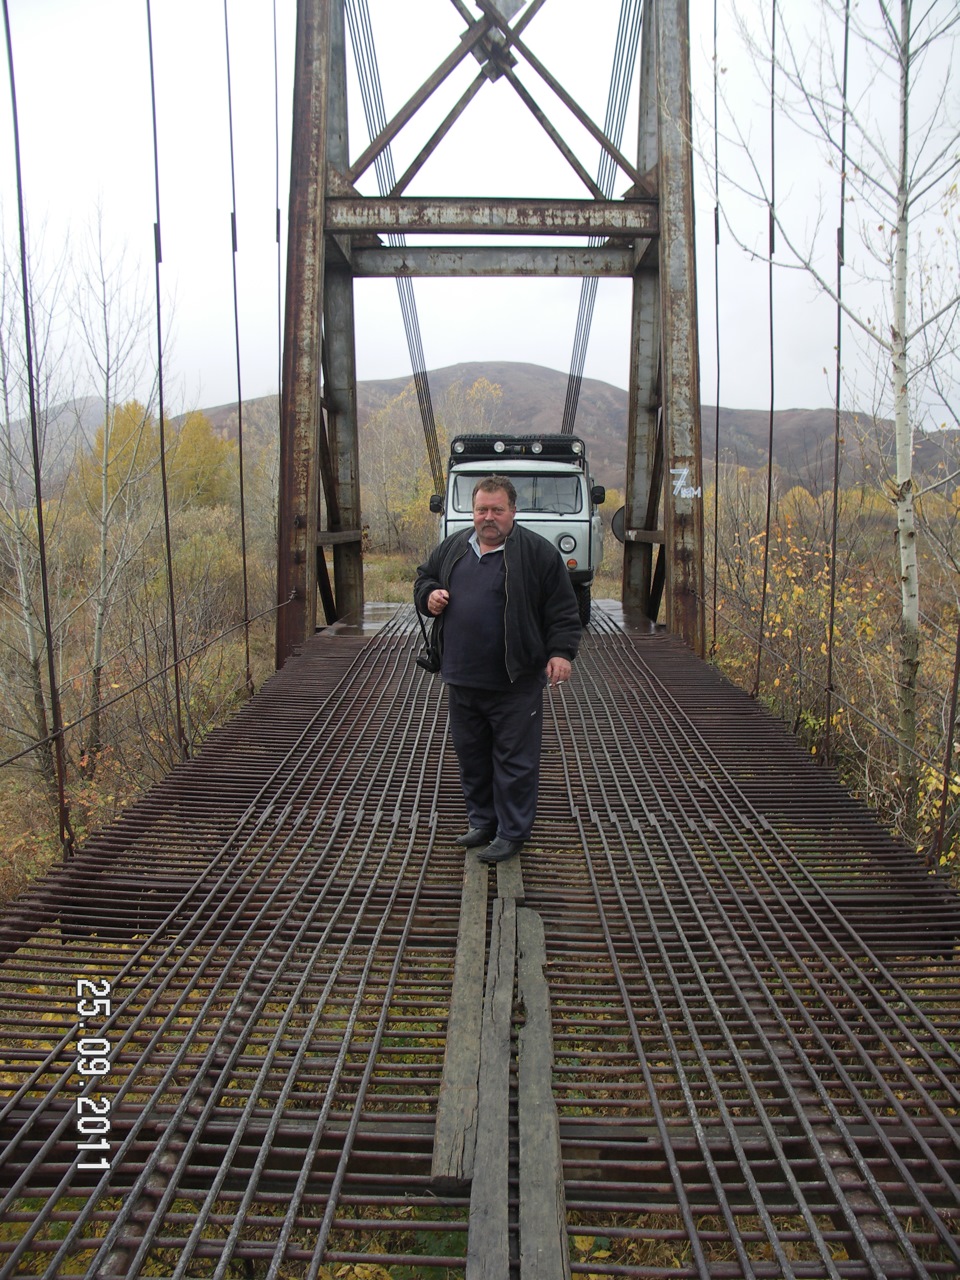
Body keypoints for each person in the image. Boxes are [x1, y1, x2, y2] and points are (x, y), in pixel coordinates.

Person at [414, 475, 581, 863]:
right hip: (461, 676)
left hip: (515, 679)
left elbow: (563, 610)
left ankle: (512, 832)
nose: (488, 517)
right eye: (481, 510)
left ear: (513, 512)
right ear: (472, 512)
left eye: (497, 510)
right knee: (471, 755)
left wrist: (560, 653)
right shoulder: (454, 547)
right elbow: (424, 578)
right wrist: (429, 597)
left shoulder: (537, 554)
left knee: (515, 761)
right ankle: (483, 821)